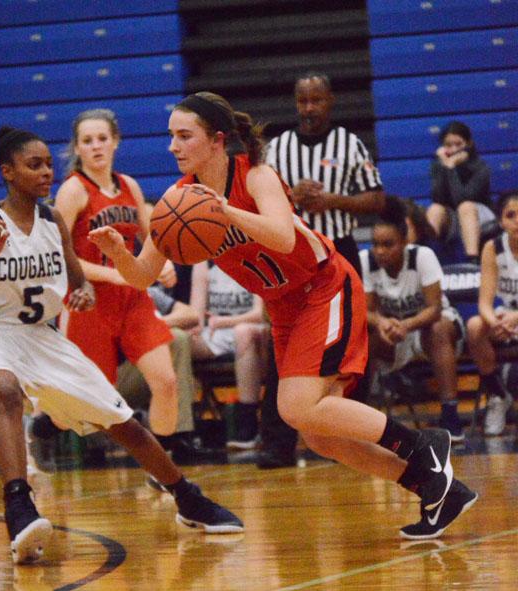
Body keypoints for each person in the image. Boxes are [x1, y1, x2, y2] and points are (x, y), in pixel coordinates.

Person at [89, 91, 478, 540]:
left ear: (216, 141)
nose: (173, 146)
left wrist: (224, 211)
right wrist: (119, 252)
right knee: (318, 434)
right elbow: (141, 277)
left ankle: (422, 444)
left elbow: (282, 236)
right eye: (170, 136)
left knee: (295, 406)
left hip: (324, 287)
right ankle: (436, 487)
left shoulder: (255, 175)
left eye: (183, 136)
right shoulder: (176, 204)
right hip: (284, 307)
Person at [0, 126, 243, 564]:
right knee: (6, 393)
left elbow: (75, 275)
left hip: (43, 338)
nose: (45, 172)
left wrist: (83, 291)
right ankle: (18, 504)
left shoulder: (52, 220)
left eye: (48, 164)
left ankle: (187, 497)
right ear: (8, 172)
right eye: (34, 165)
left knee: (122, 422)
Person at [262, 71, 386, 464]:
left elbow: (377, 199)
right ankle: (277, 444)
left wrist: (333, 201)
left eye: (317, 100)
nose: (309, 108)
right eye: (303, 101)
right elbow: (262, 202)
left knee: (350, 347)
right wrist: (291, 199)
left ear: (330, 100)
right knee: (281, 345)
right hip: (293, 255)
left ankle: (346, 437)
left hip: (341, 253)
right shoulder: (278, 148)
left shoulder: (349, 144)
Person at [54, 109, 179, 442]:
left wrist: (161, 262)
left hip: (131, 298)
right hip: (88, 301)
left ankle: (165, 466)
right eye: (87, 141)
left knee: (166, 382)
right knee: (90, 405)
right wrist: (117, 275)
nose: (96, 146)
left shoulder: (129, 186)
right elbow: (60, 256)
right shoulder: (73, 191)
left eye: (102, 139)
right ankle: (42, 425)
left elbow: (149, 236)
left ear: (116, 142)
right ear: (77, 148)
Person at [360, 197, 466, 442]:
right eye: (375, 244)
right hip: (394, 332)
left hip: (432, 328)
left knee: (437, 328)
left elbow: (435, 309)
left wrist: (405, 325)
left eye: (388, 244)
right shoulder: (367, 261)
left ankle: (450, 414)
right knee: (362, 335)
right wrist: (382, 323)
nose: (380, 251)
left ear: (405, 241)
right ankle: (363, 415)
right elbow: (367, 311)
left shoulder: (422, 256)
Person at [117, 284, 225, 464]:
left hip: (146, 373)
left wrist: (153, 324)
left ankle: (179, 438)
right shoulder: (101, 292)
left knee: (175, 337)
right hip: (110, 380)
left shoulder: (141, 289)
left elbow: (190, 315)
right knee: (173, 339)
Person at [189, 261, 269, 449]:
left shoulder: (254, 258)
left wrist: (226, 321)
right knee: (179, 341)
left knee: (243, 333)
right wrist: (194, 327)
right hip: (216, 332)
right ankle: (183, 428)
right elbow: (196, 315)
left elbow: (260, 314)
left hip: (253, 330)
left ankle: (247, 426)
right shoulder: (203, 262)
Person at [467, 191, 518, 436]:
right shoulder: (492, 248)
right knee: (476, 326)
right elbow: (485, 302)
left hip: (514, 317)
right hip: (506, 316)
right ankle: (498, 395)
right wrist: (494, 322)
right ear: (501, 222)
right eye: (511, 215)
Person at [426, 121, 494, 264]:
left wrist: (451, 168)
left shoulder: (480, 167)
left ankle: (472, 260)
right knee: (435, 209)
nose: (454, 149)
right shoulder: (438, 166)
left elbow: (462, 199)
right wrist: (444, 168)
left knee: (465, 207)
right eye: (448, 145)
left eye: (458, 144)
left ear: (468, 144)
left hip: (479, 215)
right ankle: (428, 261)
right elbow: (437, 198)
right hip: (453, 216)